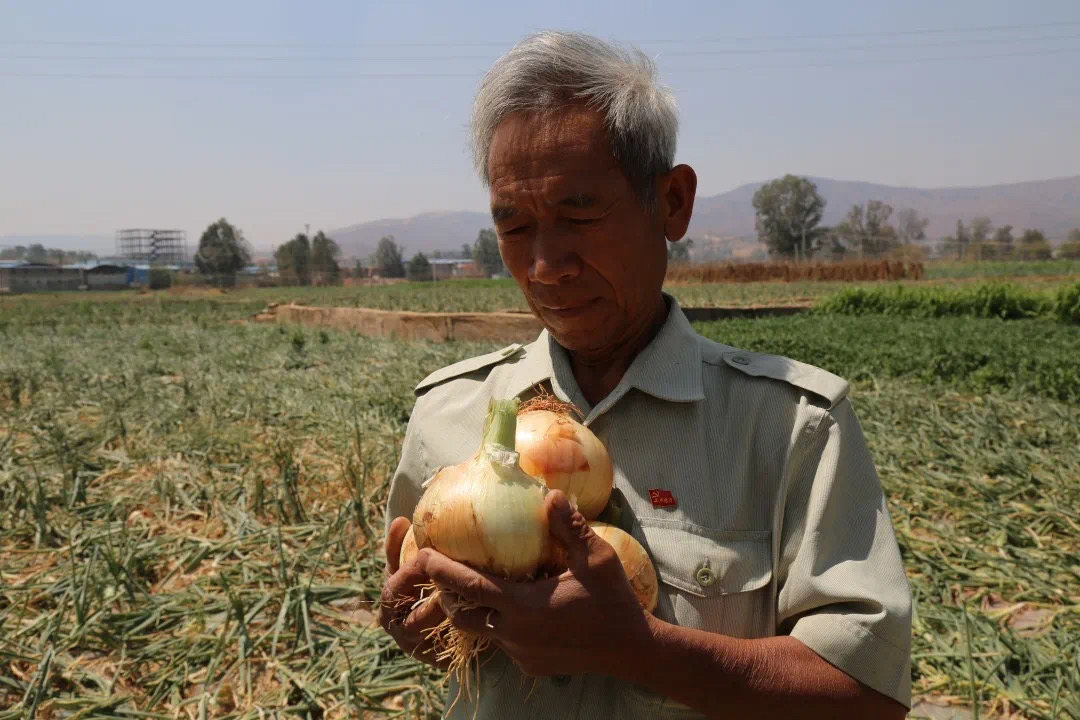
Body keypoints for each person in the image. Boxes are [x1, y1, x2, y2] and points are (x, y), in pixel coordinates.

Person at [379, 31, 911, 719]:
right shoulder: (447, 415)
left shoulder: (793, 428)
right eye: (514, 226)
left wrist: (639, 650)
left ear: (672, 203)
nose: (545, 264)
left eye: (580, 213)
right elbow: (435, 625)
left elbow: (868, 696)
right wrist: (422, 626)